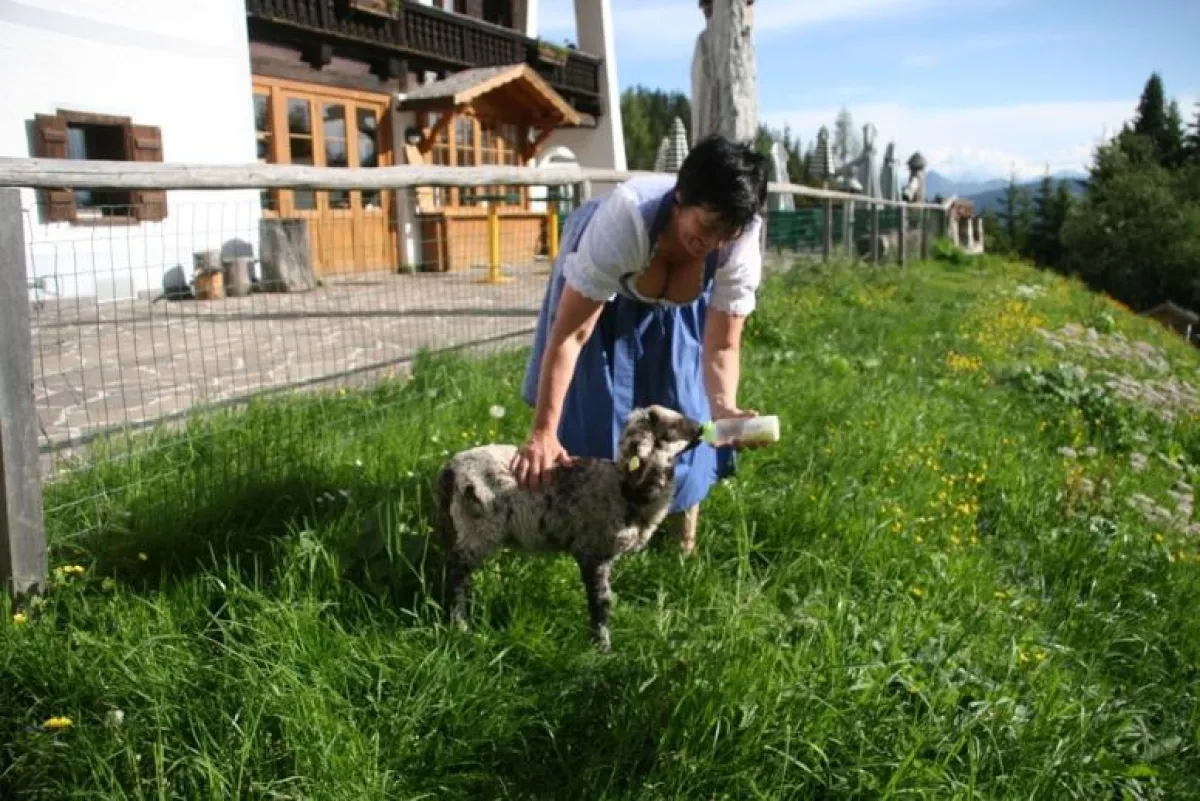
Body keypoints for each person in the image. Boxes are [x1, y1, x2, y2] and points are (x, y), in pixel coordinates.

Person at [514, 134, 770, 554]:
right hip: (608, 296)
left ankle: (678, 532)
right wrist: (542, 430)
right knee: (597, 415)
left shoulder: (734, 241)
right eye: (706, 226)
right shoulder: (623, 221)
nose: (713, 244)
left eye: (728, 232)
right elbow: (571, 334)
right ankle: (594, 532)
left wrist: (725, 408)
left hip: (679, 312)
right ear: (680, 198)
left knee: (686, 410)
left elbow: (722, 345)